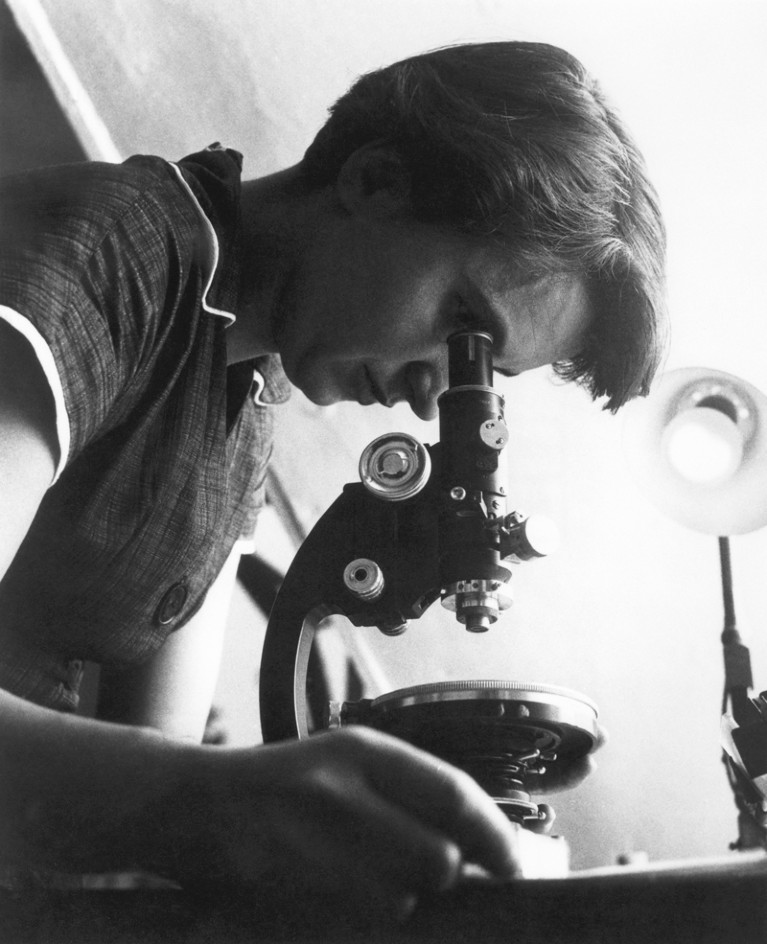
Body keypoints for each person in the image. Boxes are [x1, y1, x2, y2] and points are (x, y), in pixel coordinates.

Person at [0, 41, 666, 922]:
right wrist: (218, 808)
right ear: (376, 181)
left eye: (481, 373)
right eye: (460, 324)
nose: (437, 397)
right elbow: (184, 795)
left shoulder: (243, 403)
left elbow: (155, 757)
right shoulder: (112, 254)